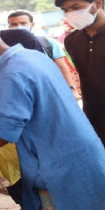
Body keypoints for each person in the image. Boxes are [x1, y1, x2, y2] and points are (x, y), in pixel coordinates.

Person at [0, 20, 105, 210]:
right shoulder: (30, 56)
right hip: (82, 151)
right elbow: (36, 93)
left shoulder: (12, 73)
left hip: (59, 162)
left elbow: (4, 133)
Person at [56, 0, 105, 145]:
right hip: (93, 117)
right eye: (66, 10)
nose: (71, 13)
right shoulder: (71, 40)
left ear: (97, 3)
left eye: (76, 7)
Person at [7, 11, 81, 100]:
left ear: (32, 24)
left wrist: (72, 89)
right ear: (9, 27)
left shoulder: (48, 42)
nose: (19, 26)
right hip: (21, 94)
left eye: (23, 23)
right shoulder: (5, 47)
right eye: (14, 24)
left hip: (51, 91)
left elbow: (62, 66)